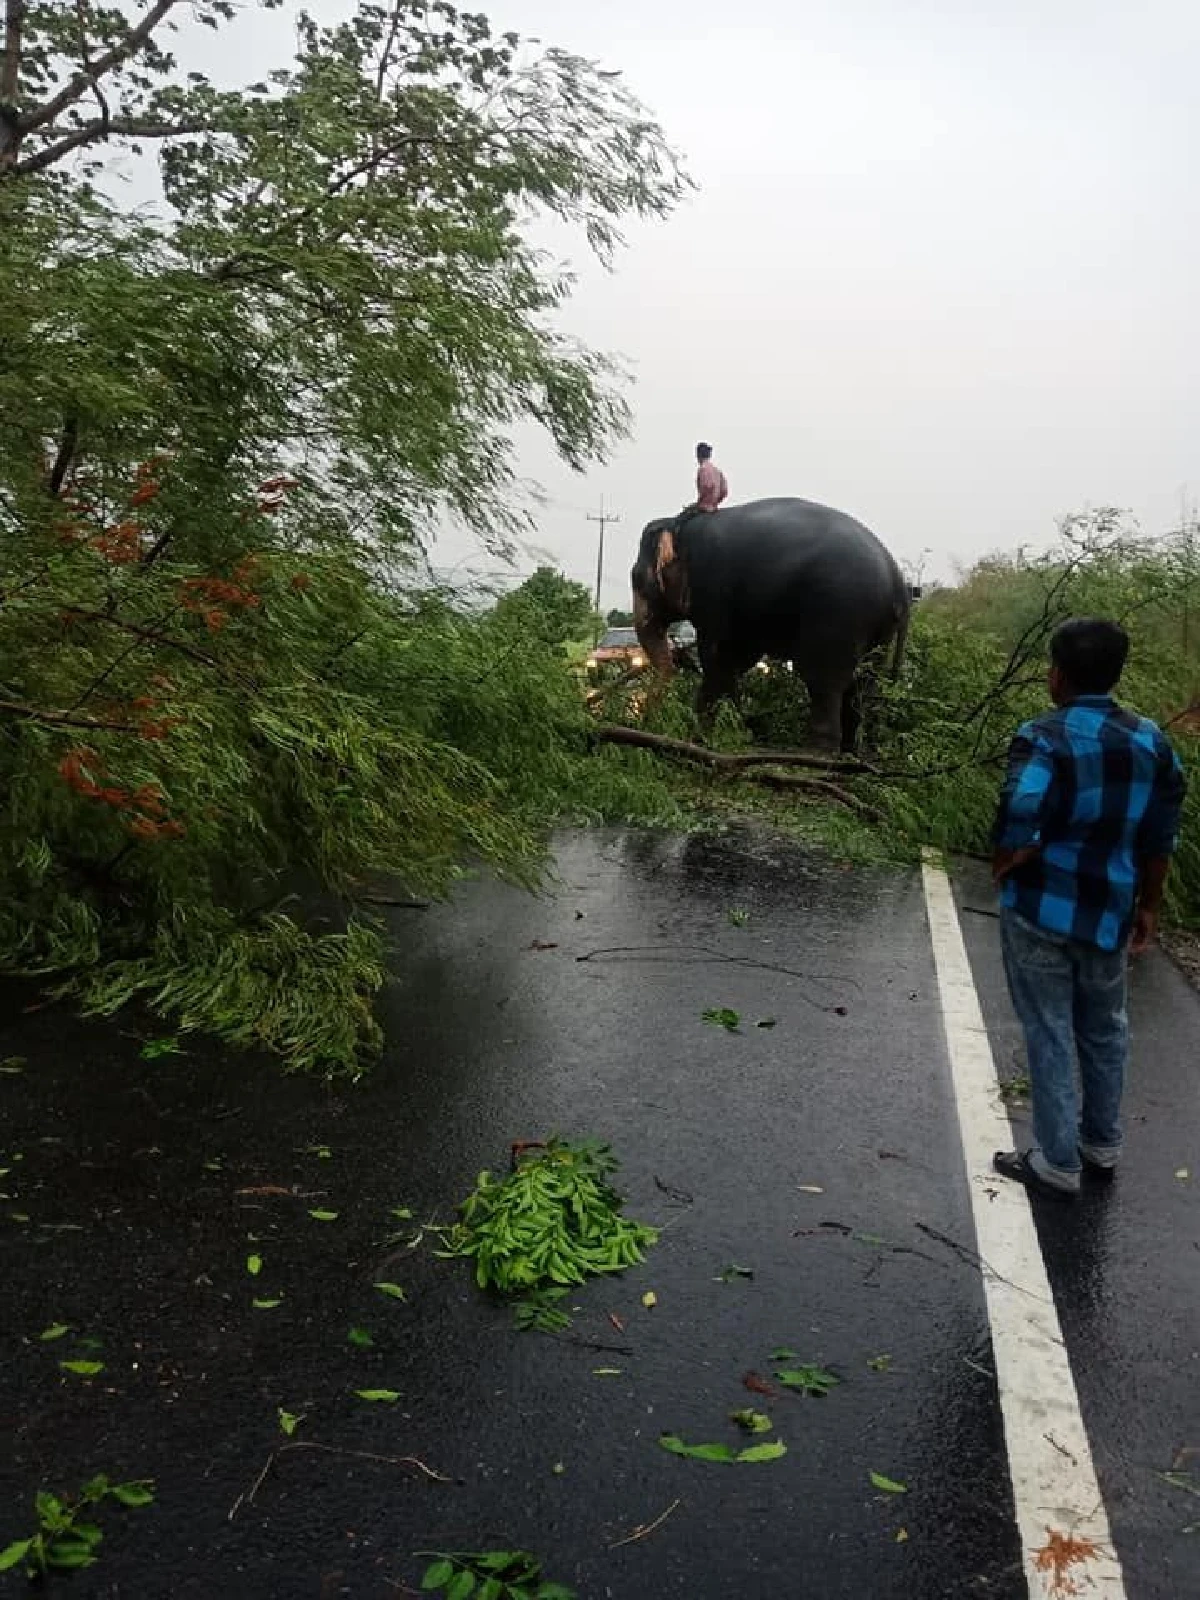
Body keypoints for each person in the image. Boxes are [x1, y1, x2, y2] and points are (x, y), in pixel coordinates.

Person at [990, 617, 1186, 1199]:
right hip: (1109, 914)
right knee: (1105, 1030)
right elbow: (1160, 833)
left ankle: (1056, 1162)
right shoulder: (1152, 741)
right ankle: (1102, 1146)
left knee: (1048, 1029)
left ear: (1057, 675)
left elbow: (1021, 805)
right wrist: (1149, 905)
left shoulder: (1043, 735)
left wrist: (1006, 860)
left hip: (1040, 911)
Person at [693, 441, 728, 513]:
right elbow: (724, 491)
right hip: (714, 507)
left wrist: (700, 503)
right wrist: (715, 502)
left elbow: (707, 487)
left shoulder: (703, 469)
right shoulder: (717, 471)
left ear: (698, 455)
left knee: (680, 520)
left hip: (704, 507)